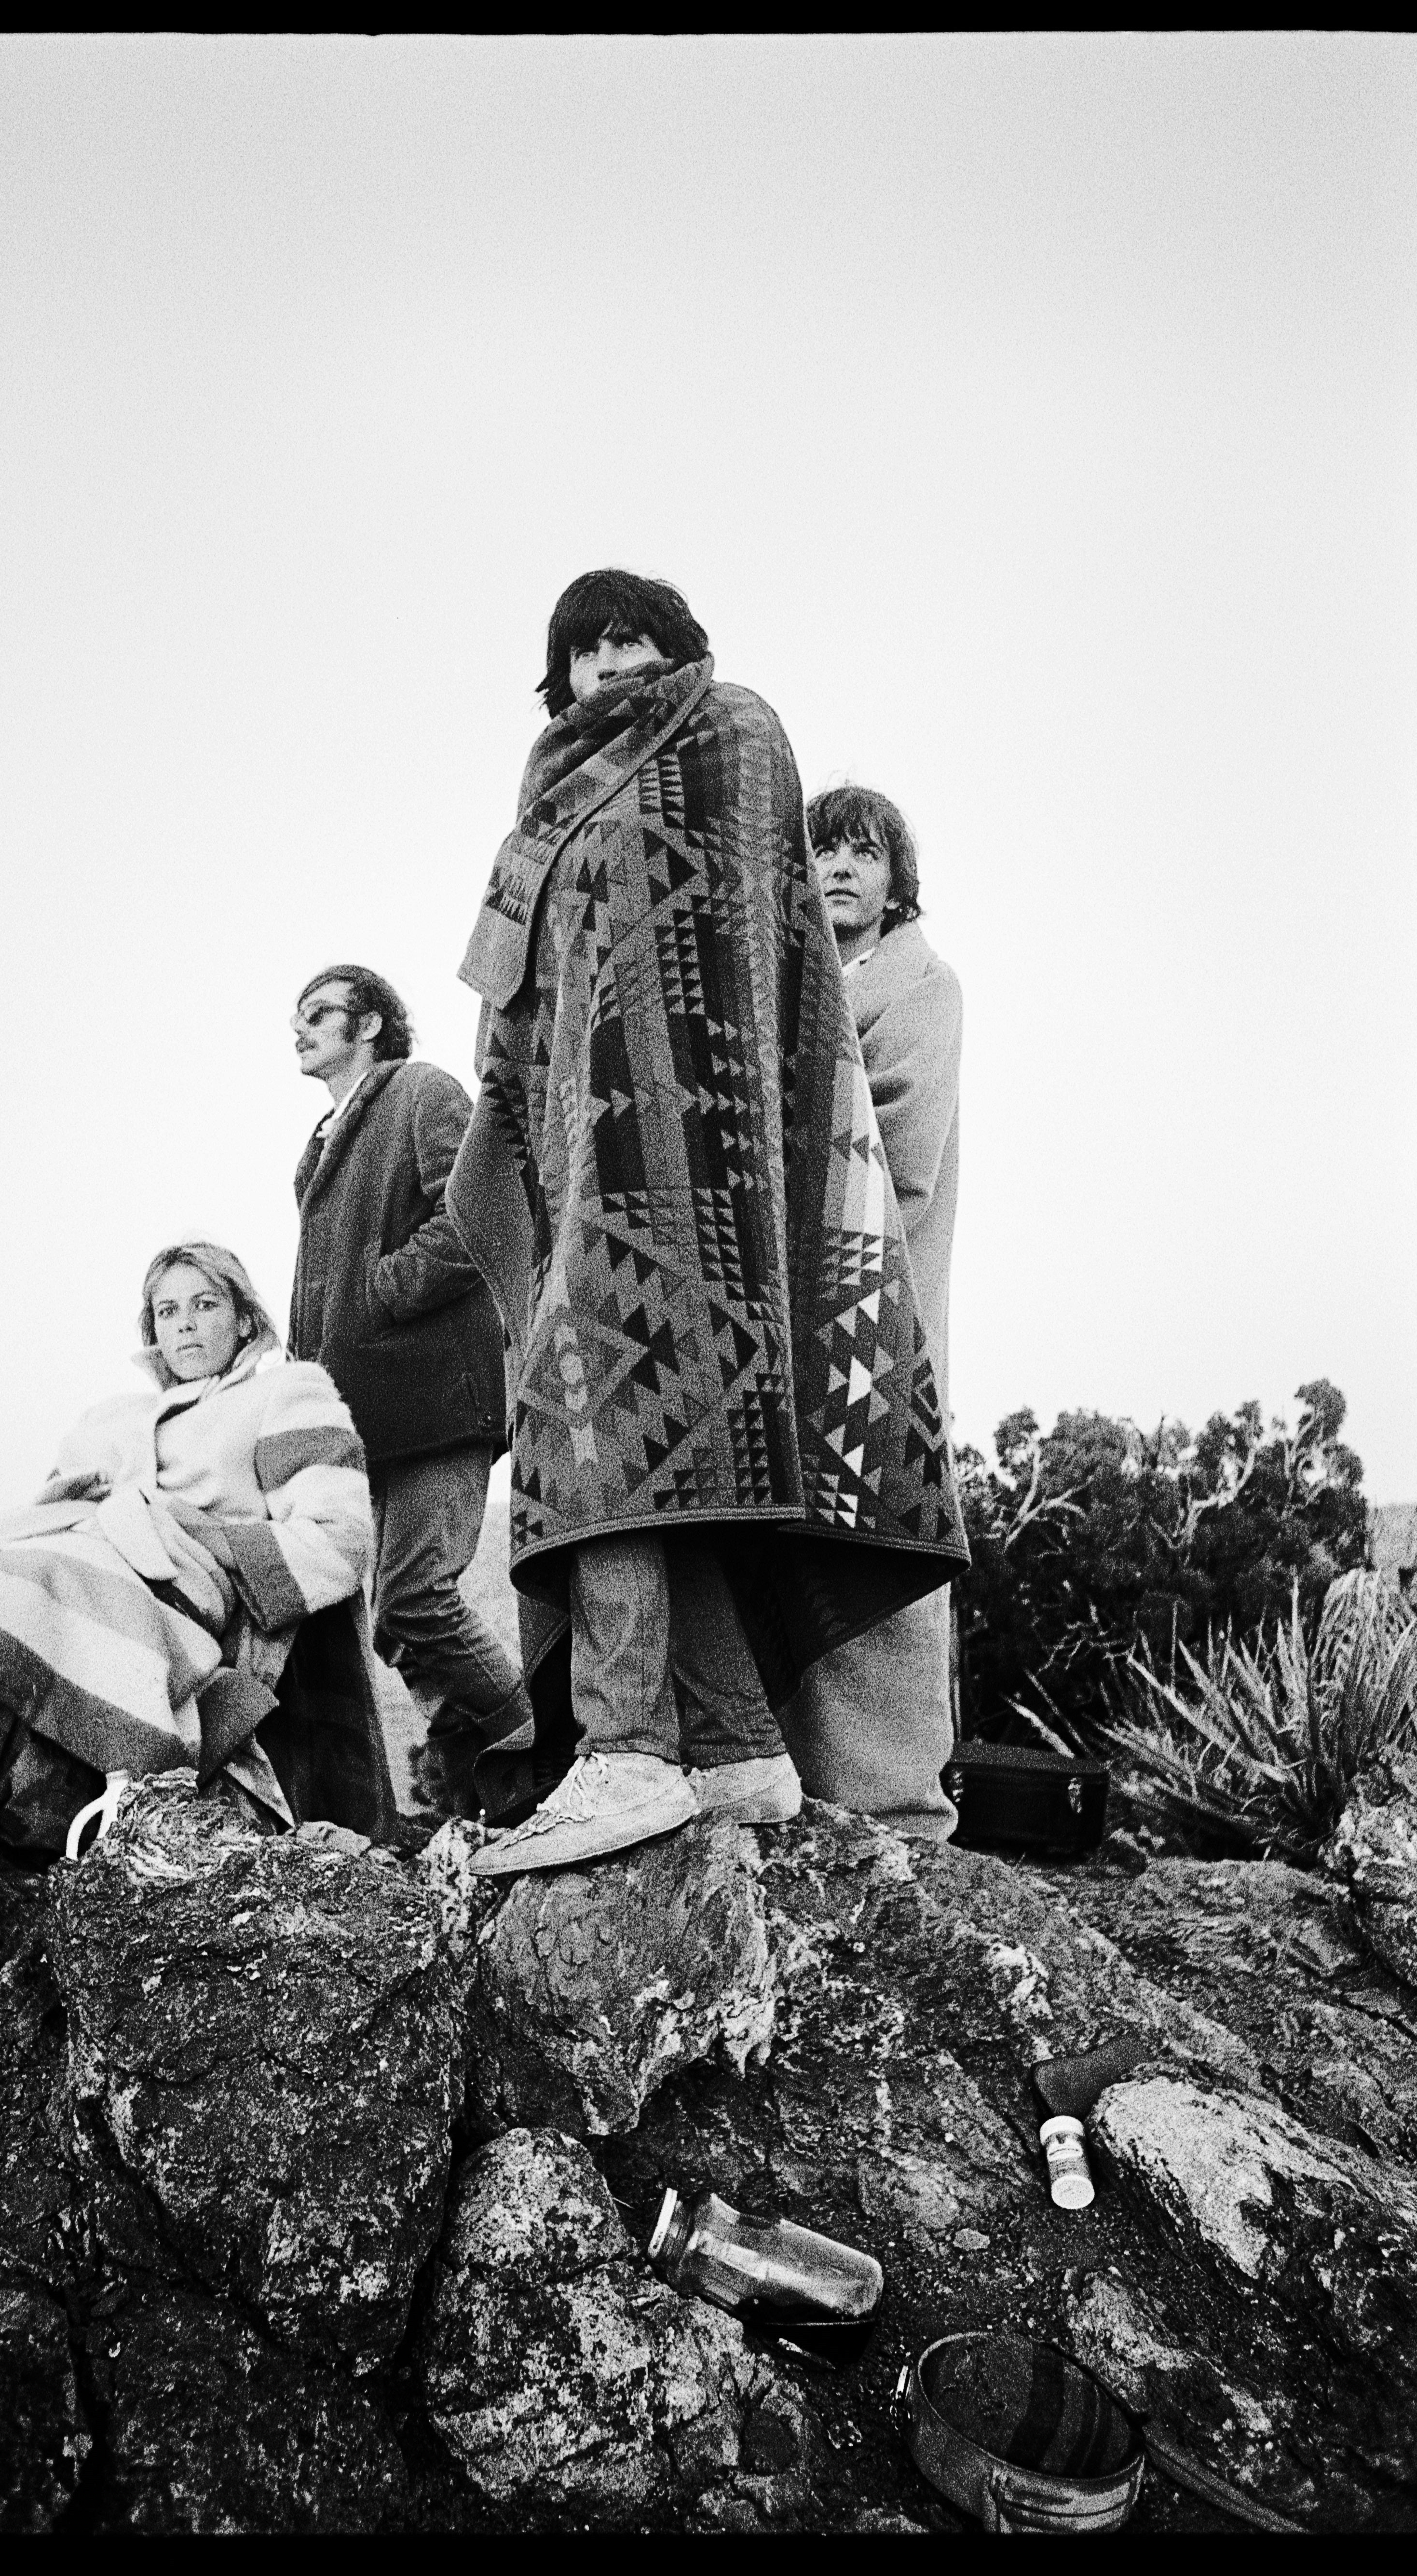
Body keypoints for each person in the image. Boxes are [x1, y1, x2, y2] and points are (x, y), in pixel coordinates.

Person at [448, 569, 968, 1877]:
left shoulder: (730, 732)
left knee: (611, 1425)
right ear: (556, 673)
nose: (613, 660)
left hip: (707, 1166)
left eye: (635, 635)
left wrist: (665, 1130)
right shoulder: (538, 815)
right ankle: (734, 1744)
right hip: (591, 1168)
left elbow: (734, 949)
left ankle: (625, 1750)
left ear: (678, 648)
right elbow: (534, 1010)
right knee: (662, 1452)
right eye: (586, 644)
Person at [0, 1241, 395, 1896]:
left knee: (28, 1574)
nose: (183, 1323)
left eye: (205, 1304)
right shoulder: (114, 1420)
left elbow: (338, 1542)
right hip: (90, 1567)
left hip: (184, 1597)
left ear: (244, 1319)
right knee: (3, 1566)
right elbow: (45, 1513)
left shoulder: (284, 1394)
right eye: (166, 1310)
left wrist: (196, 1530)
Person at [286, 964, 527, 1816]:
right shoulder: (320, 1144)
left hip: (436, 1400)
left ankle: (539, 1751)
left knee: (419, 1597)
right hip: (361, 1420)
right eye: (298, 1018)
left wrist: (386, 1289)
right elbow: (316, 1295)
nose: (300, 1029)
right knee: (392, 1621)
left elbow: (478, 1211)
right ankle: (478, 1798)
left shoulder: (420, 1091)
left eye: (320, 1014)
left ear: (371, 1026)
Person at [784, 786, 965, 1836]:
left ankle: (899, 1811)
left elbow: (900, 1160)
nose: (841, 868)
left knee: (885, 1536)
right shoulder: (799, 983)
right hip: (792, 1315)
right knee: (801, 1538)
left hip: (876, 1308)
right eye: (821, 850)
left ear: (898, 879)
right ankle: (808, 1800)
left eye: (864, 852)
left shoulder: (923, 988)